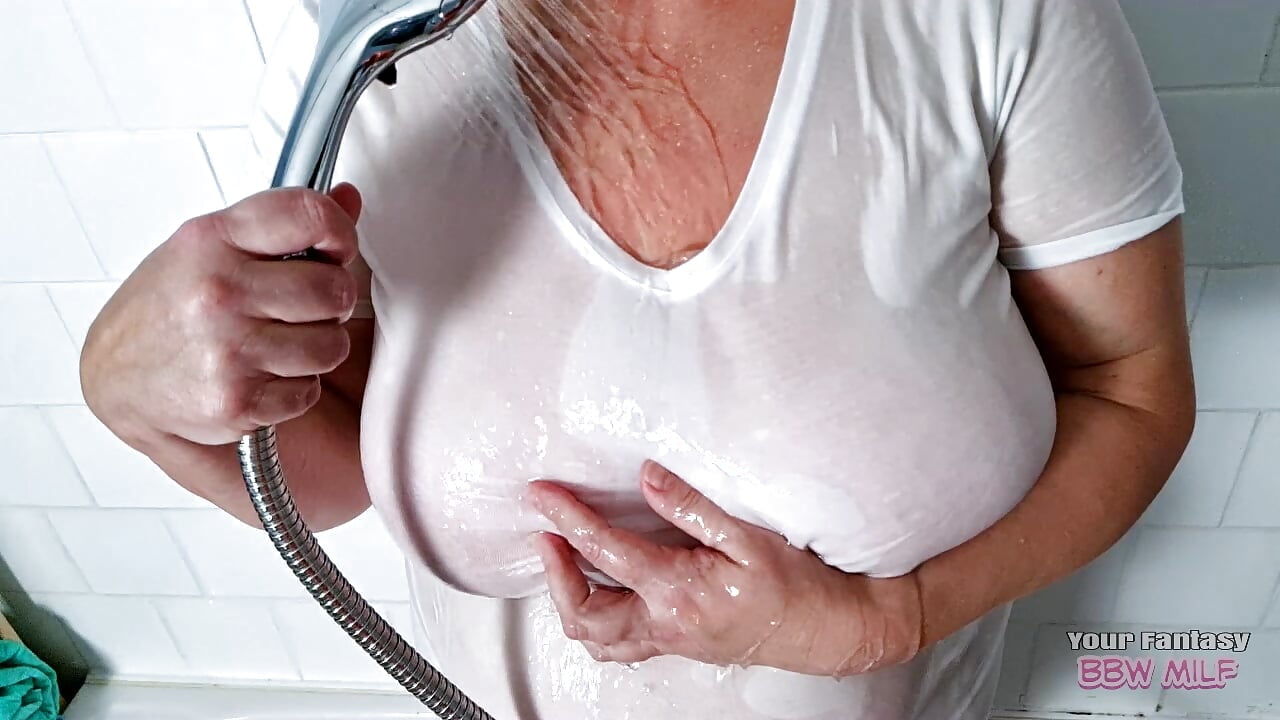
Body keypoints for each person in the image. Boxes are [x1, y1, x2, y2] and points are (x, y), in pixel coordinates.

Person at [80, 0, 1195, 717]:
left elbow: (1130, 390)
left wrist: (886, 623)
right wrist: (141, 405)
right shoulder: (370, 49)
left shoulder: (986, 20)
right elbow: (332, 467)